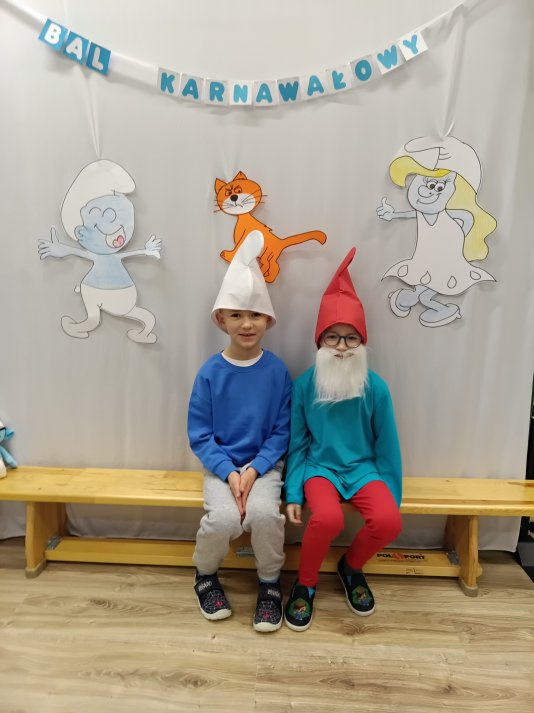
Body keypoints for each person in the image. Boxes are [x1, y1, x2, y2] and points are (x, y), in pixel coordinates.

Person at [283, 247, 402, 632]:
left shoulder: (376, 388)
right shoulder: (305, 386)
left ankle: (350, 567)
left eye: (351, 339)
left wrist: (390, 494)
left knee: (388, 522)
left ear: (362, 343)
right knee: (327, 518)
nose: (341, 347)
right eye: (332, 338)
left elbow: (387, 445)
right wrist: (293, 492)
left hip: (363, 469)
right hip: (320, 468)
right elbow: (297, 443)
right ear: (319, 342)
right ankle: (305, 583)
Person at [188, 231, 291, 633]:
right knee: (223, 520)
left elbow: (282, 430)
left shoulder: (278, 371)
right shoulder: (210, 373)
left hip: (265, 467)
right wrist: (230, 472)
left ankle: (269, 583)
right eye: (236, 315)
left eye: (255, 315)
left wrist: (255, 470)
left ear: (268, 320)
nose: (246, 324)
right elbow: (200, 434)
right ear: (221, 320)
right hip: (221, 467)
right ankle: (205, 574)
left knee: (264, 514)